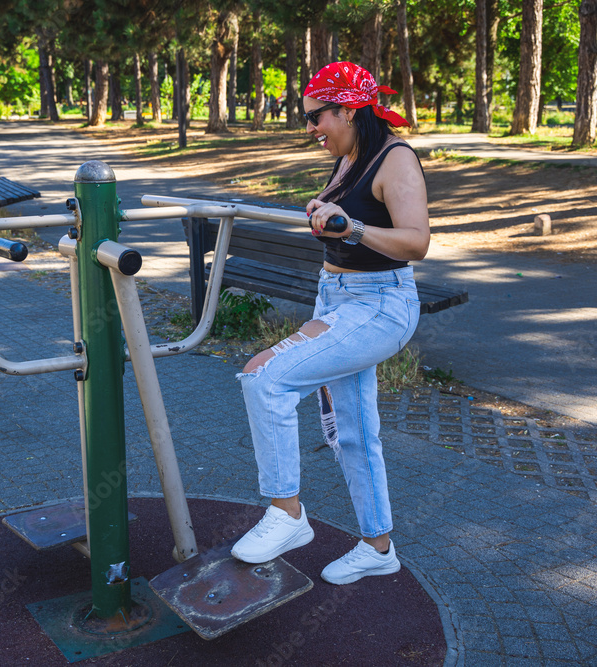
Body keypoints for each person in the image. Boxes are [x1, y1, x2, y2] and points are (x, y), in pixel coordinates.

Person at [230, 62, 430, 586]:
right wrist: (328, 210)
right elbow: (347, 218)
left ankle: (287, 514)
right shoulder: (349, 156)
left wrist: (353, 226)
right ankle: (378, 547)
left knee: (264, 377)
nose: (311, 129)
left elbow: (416, 242)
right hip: (337, 298)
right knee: (353, 433)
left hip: (381, 306)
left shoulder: (395, 158)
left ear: (347, 109)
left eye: (316, 117)